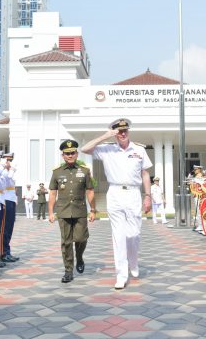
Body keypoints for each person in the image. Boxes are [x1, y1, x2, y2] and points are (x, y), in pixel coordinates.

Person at [81, 118, 152, 290]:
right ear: (114, 132)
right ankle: (121, 275)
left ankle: (133, 262)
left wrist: (148, 195)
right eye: (119, 131)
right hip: (115, 193)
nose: (122, 133)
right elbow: (84, 149)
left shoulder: (139, 150)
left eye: (125, 130)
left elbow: (145, 174)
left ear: (129, 131)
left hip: (134, 193)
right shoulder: (107, 149)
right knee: (118, 236)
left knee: (133, 234)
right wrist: (106, 136)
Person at [48, 139, 96, 283]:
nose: (70, 155)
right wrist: (50, 212)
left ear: (77, 154)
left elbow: (90, 191)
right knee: (66, 242)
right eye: (67, 153)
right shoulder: (56, 172)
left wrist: (93, 210)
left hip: (80, 210)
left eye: (72, 153)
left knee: (81, 238)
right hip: (63, 211)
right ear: (63, 155)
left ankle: (79, 256)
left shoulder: (85, 171)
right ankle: (68, 270)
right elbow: (52, 193)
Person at [0, 153, 20, 263]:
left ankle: (7, 251)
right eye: (8, 161)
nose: (9, 163)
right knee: (4, 228)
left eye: (10, 161)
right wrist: (11, 169)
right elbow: (8, 177)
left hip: (10, 200)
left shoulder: (7, 172)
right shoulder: (2, 172)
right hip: (5, 201)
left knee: (9, 227)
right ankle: (3, 252)